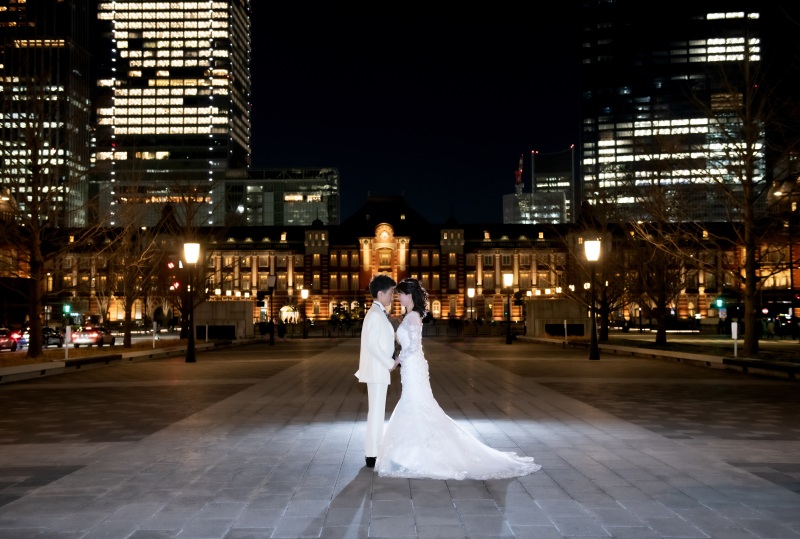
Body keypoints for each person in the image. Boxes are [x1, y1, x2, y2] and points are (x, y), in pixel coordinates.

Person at [376, 278, 541, 480]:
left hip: (413, 366)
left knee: (415, 404)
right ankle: (412, 453)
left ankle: (415, 454)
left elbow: (414, 346)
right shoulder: (410, 315)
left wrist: (396, 360)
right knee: (416, 405)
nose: (398, 297)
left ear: (409, 295)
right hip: (411, 367)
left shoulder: (412, 317)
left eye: (400, 293)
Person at [355, 274, 397, 468]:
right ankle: (372, 453)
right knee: (376, 413)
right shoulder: (375, 314)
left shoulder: (377, 313)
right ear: (380, 294)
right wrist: (390, 362)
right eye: (390, 293)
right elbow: (373, 344)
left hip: (379, 371)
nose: (392, 297)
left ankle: (374, 451)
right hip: (377, 370)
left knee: (377, 413)